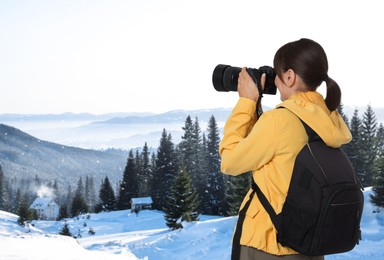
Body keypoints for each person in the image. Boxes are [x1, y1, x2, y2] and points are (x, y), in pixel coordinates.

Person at [219, 38, 352, 260]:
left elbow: (230, 162)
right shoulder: (329, 118)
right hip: (308, 244)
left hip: (269, 245)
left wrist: (246, 102)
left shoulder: (281, 121)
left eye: (277, 75)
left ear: (290, 76)